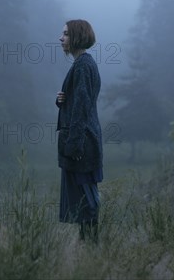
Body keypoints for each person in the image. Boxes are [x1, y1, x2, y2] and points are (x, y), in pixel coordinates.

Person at [56, 19, 103, 243]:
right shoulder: (82, 64)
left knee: (87, 202)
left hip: (81, 143)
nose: (61, 38)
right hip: (82, 140)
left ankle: (92, 251)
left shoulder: (83, 65)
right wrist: (61, 100)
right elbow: (79, 101)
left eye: (65, 34)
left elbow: (83, 107)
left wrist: (73, 145)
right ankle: (88, 252)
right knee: (84, 202)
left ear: (76, 36)